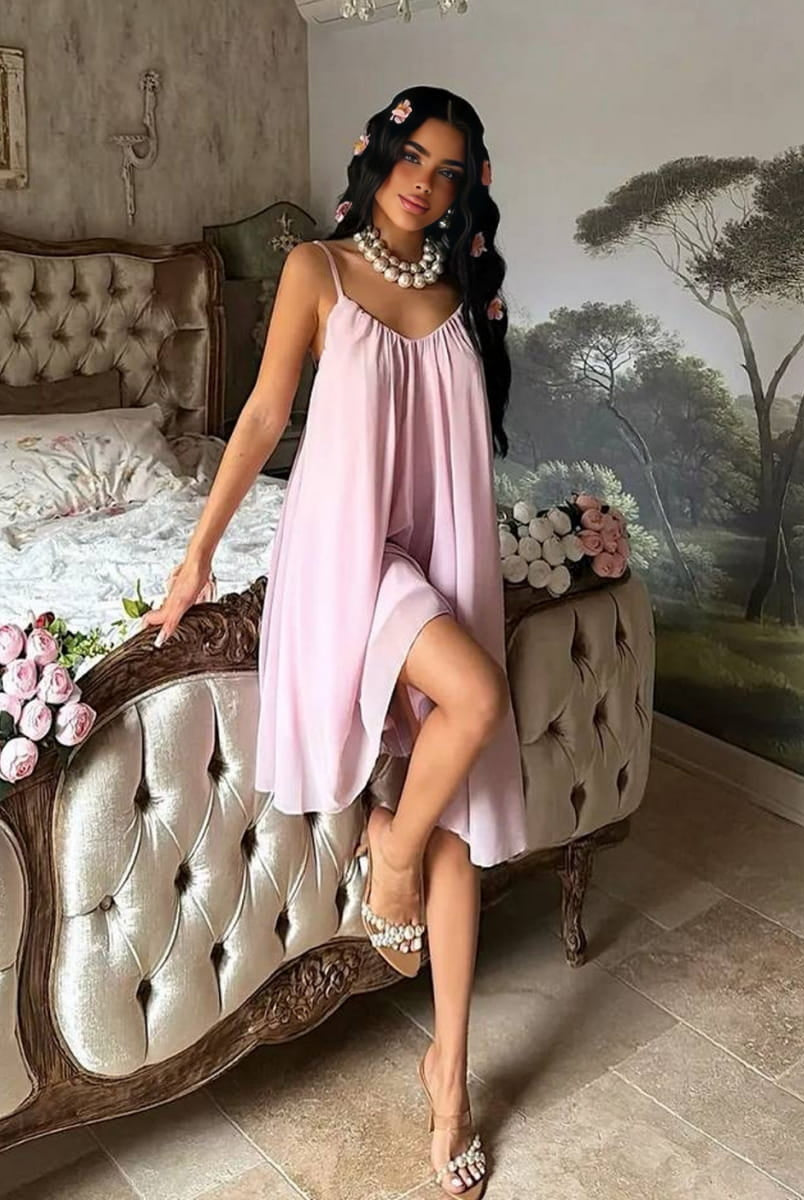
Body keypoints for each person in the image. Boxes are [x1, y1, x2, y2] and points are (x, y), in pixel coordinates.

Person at [143, 85, 528, 1199]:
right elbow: (264, 417)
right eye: (412, 158)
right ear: (378, 157)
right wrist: (198, 558)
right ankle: (389, 857)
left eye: (447, 171)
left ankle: (449, 1077)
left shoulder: (457, 294)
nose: (424, 183)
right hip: (346, 562)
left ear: (463, 190)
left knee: (452, 813)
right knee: (478, 701)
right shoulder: (316, 269)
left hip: (440, 558)